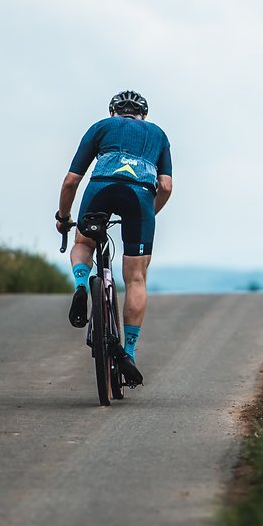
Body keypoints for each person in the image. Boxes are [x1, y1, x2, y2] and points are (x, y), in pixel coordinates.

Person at [55, 90, 173, 385]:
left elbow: (71, 181)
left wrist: (63, 217)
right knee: (136, 278)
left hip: (101, 191)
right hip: (139, 198)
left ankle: (82, 284)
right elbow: (166, 186)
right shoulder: (158, 134)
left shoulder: (100, 127)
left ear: (113, 112)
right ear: (143, 115)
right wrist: (148, 215)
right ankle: (129, 353)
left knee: (83, 243)